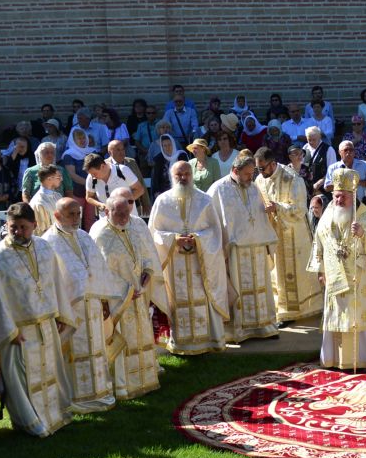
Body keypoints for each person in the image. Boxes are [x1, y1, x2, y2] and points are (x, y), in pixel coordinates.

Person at [0, 203, 73, 438]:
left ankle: (51, 416)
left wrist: (59, 313)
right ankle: (27, 422)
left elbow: (55, 281)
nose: (17, 232)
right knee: (20, 379)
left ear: (35, 225)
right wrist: (8, 330)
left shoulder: (44, 247)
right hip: (17, 332)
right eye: (13, 227)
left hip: (46, 325)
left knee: (48, 373)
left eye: (23, 227)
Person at [44, 196, 127, 413]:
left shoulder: (84, 236)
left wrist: (105, 300)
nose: (75, 218)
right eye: (70, 214)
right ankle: (75, 397)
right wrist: (58, 314)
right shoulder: (48, 243)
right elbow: (50, 282)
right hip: (70, 312)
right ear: (56, 215)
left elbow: (99, 268)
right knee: (75, 352)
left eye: (78, 213)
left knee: (96, 349)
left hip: (93, 307)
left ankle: (101, 392)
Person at [90, 190, 167, 401]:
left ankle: (145, 379)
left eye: (126, 212)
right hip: (118, 302)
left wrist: (146, 276)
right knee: (124, 340)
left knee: (141, 337)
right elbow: (99, 271)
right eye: (119, 213)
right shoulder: (100, 234)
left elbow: (145, 256)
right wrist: (124, 292)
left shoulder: (131, 228)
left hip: (137, 295)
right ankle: (124, 385)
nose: (124, 217)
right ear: (107, 211)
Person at [149, 160, 228, 356]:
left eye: (186, 174)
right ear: (172, 176)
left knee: (202, 295)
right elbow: (154, 232)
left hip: (200, 262)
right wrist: (174, 239)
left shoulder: (205, 200)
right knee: (177, 299)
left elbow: (215, 231)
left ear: (192, 175)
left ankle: (208, 340)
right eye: (179, 175)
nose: (183, 178)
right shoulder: (162, 201)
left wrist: (198, 239)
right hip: (174, 262)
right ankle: (180, 343)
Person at [308, 168, 366, 369]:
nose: (339, 200)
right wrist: (321, 270)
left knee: (356, 316)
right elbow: (318, 242)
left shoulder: (363, 215)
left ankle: (361, 358)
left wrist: (363, 234)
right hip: (334, 276)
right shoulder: (329, 212)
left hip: (358, 278)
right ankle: (333, 359)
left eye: (343, 197)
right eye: (336, 196)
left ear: (353, 195)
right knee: (335, 317)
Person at [209, 154, 281, 343]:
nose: (251, 177)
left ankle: (263, 325)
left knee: (260, 287)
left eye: (252, 173)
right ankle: (239, 330)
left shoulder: (253, 187)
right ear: (235, 170)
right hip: (235, 251)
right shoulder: (218, 189)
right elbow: (213, 222)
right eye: (247, 174)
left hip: (256, 247)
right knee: (239, 289)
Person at [256, 148, 321, 324]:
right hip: (273, 234)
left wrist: (277, 207)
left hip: (295, 235)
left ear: (272, 163)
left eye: (262, 168)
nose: (260, 173)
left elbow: (300, 210)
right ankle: (280, 308)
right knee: (276, 272)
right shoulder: (260, 180)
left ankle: (295, 311)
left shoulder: (292, 178)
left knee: (296, 274)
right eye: (258, 169)